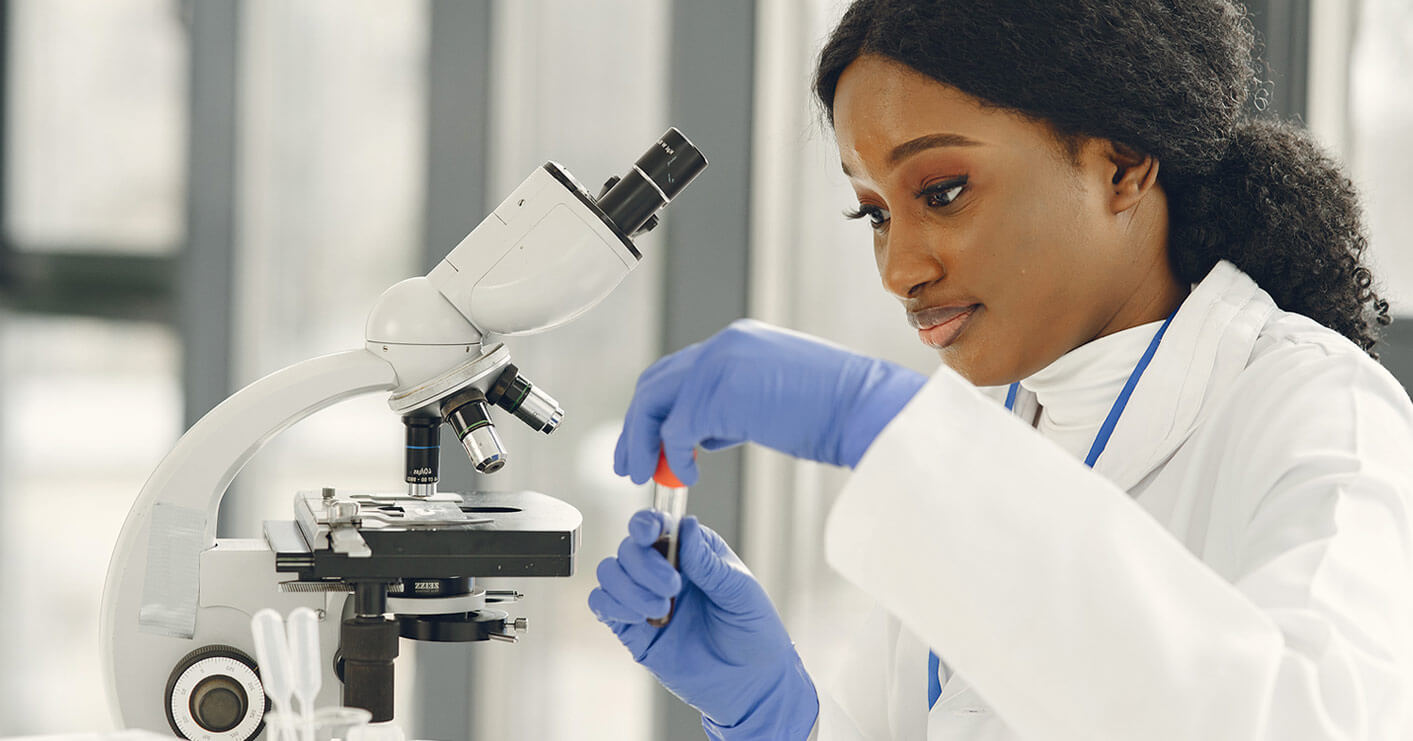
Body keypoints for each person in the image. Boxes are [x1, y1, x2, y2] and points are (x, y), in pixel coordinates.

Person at [588, 1, 1413, 738]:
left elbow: (1308, 722)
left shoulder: (1317, 411)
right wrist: (777, 716)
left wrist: (874, 422)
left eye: (942, 191)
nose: (898, 270)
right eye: (873, 213)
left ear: (1122, 163)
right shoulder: (991, 433)